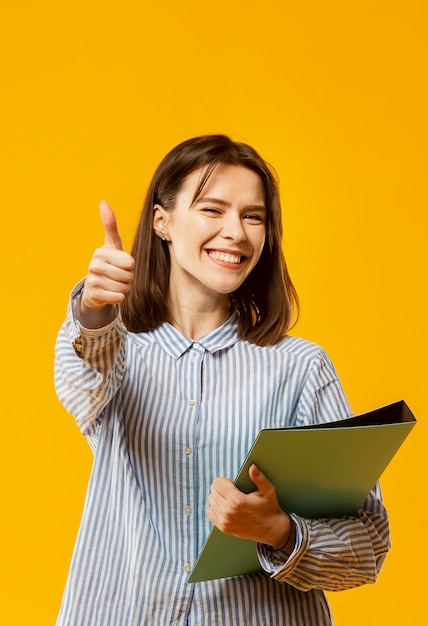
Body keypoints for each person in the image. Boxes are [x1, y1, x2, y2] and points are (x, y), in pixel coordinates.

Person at [54, 134, 390, 626]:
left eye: (253, 216)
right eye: (213, 210)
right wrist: (94, 309)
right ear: (161, 222)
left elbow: (368, 548)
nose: (236, 231)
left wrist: (281, 532)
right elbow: (81, 381)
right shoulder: (113, 348)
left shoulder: (300, 368)